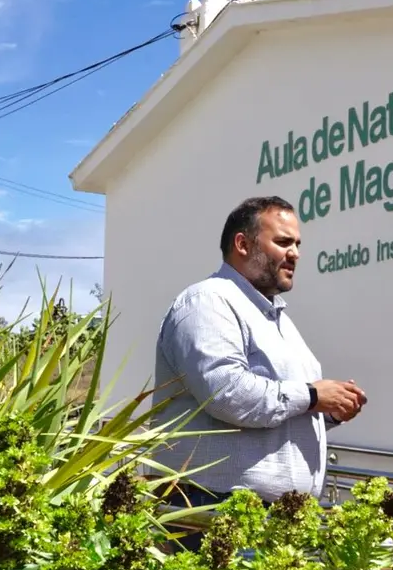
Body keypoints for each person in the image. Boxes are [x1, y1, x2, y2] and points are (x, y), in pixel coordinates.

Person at [154, 195, 367, 548]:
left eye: (297, 244)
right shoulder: (208, 302)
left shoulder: (275, 316)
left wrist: (330, 409)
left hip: (276, 520)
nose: (295, 253)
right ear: (242, 244)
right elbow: (226, 393)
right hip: (219, 515)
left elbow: (284, 407)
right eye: (283, 242)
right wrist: (313, 395)